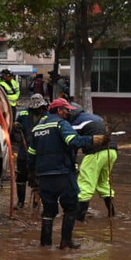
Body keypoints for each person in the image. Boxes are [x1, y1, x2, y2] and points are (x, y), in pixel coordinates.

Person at [27, 98, 105, 249]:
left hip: (43, 175)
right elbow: (73, 141)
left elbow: (31, 154)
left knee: (48, 210)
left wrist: (31, 175)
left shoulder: (37, 128)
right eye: (67, 110)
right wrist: (95, 140)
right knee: (71, 207)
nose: (70, 112)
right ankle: (66, 242)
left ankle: (45, 244)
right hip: (62, 172)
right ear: (59, 110)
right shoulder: (61, 124)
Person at [70, 107, 117, 220]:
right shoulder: (95, 117)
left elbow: (73, 144)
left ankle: (80, 219)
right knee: (103, 183)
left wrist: (73, 163)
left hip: (96, 153)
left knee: (85, 184)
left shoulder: (75, 124)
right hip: (112, 152)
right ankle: (112, 214)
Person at [13, 94, 48, 209]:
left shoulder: (47, 116)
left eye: (40, 107)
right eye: (36, 108)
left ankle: (36, 203)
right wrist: (17, 129)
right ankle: (21, 202)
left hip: (40, 152)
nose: (38, 110)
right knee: (21, 177)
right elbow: (15, 130)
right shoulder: (23, 114)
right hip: (24, 151)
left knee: (38, 178)